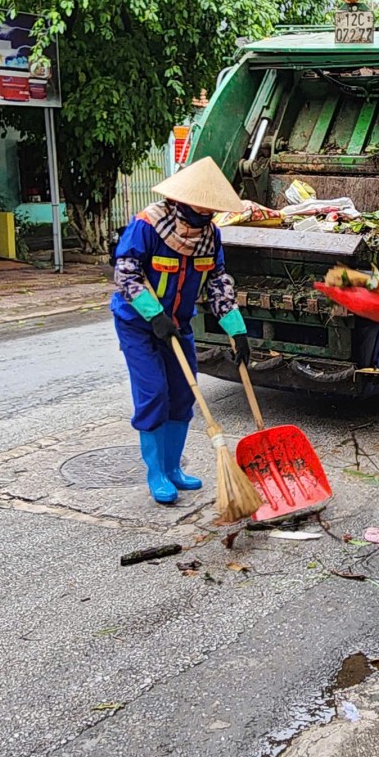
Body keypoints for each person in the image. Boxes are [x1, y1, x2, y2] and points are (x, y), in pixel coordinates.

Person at [110, 156, 251, 505]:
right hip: (139, 325)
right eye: (204, 204)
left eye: (213, 207)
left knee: (183, 395)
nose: (209, 212)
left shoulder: (210, 235)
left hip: (179, 325)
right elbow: (125, 271)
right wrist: (153, 314)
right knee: (154, 394)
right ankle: (155, 473)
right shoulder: (148, 225)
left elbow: (217, 281)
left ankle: (173, 469)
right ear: (184, 198)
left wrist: (237, 330)